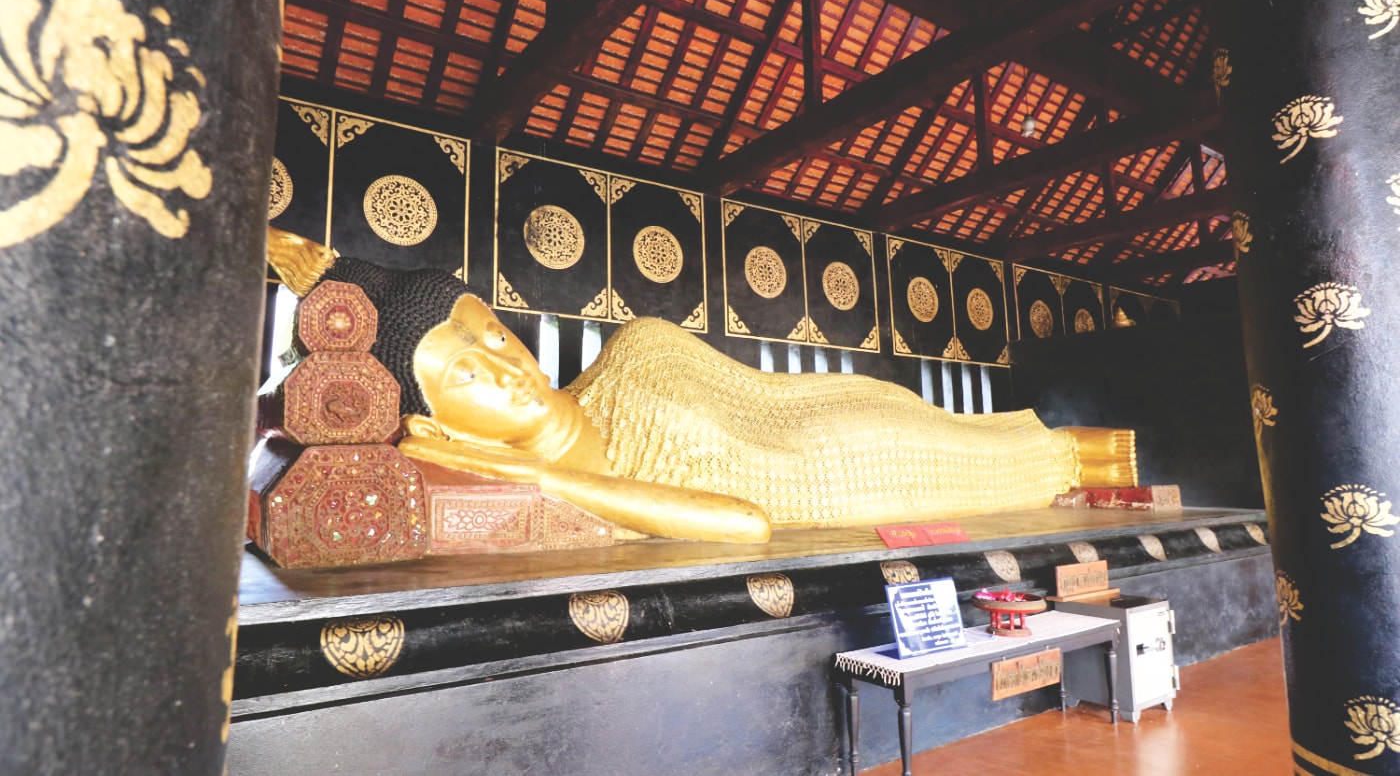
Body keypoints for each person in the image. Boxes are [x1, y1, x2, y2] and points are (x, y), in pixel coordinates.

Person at [267, 228, 1137, 544]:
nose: (507, 366)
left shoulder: (636, 346)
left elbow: (769, 391)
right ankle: (1085, 460)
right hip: (842, 488)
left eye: (492, 335)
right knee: (1034, 460)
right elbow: (746, 523)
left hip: (859, 421)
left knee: (974, 430)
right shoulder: (597, 491)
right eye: (466, 377)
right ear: (452, 429)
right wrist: (538, 476)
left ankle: (1088, 457)